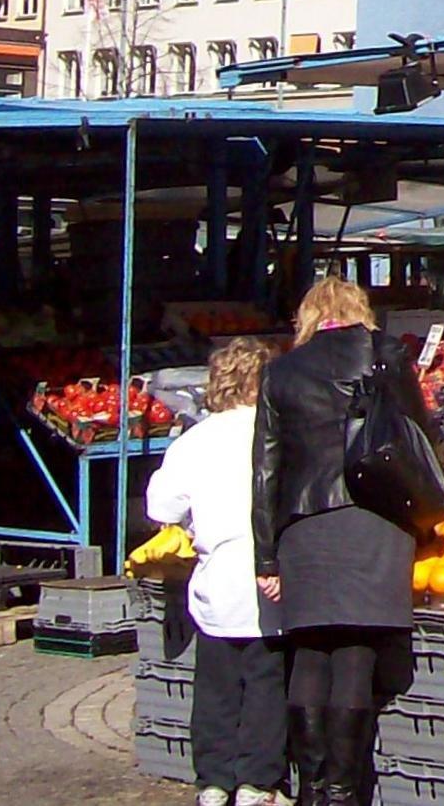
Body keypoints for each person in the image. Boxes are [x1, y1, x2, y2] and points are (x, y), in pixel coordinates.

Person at [253, 278, 434, 806]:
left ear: (307, 316)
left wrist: (266, 556)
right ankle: (343, 792)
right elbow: (419, 436)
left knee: (309, 651)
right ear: (360, 311)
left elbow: (264, 471)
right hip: (374, 520)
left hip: (305, 527)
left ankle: (311, 788)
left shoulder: (281, 371)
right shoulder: (385, 356)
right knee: (356, 652)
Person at [148, 339, 284, 806]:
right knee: (266, 684)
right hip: (273, 579)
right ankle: (257, 780)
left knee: (216, 688)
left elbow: (160, 505)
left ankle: (213, 780)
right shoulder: (281, 434)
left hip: (216, 582)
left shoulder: (194, 441)